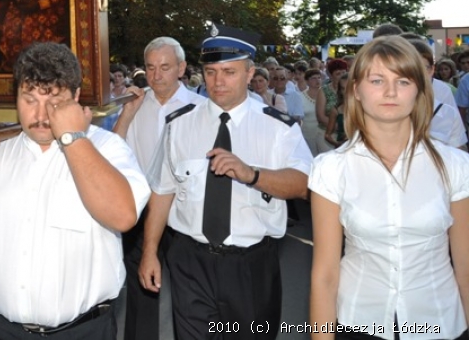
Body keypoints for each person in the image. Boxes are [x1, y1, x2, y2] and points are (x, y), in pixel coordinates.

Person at [0, 42, 150, 340]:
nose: (40, 114)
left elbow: (123, 216)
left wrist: (72, 138)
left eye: (54, 101)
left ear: (75, 97)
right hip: (0, 330)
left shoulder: (107, 147)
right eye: (29, 99)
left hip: (82, 332)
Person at [141, 26, 312, 339]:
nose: (218, 82)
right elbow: (163, 191)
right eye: (211, 72)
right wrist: (149, 251)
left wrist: (253, 175)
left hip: (250, 265)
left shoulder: (278, 128)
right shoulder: (179, 125)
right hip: (190, 261)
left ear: (249, 74)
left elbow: (303, 185)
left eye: (229, 72)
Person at [310, 35, 469, 340]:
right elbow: (325, 275)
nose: (391, 92)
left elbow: (465, 267)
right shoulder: (331, 168)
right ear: (356, 90)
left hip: (439, 323)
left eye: (403, 81)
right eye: (377, 80)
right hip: (358, 323)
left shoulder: (455, 166)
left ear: (419, 90)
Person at [111, 37, 205, 340]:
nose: (156, 75)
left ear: (181, 68)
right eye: (150, 67)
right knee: (141, 294)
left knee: (189, 297)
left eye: (165, 67)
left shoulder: (202, 109)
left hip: (185, 216)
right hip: (141, 213)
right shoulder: (135, 104)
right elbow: (112, 154)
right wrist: (126, 114)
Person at [300, 68, 334, 155]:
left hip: (324, 132)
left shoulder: (327, 94)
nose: (317, 80)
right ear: (307, 81)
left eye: (319, 77)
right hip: (308, 134)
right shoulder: (300, 97)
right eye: (313, 78)